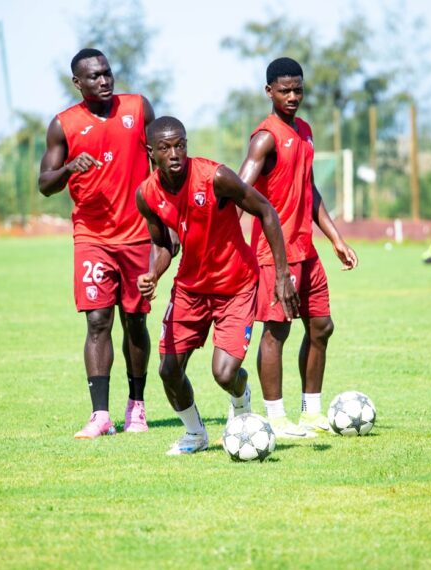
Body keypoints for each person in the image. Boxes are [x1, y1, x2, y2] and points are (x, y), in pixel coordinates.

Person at [135, 116, 299, 456]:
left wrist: (282, 276)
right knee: (168, 370)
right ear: (151, 152)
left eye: (180, 144)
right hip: (190, 290)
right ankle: (195, 434)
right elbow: (165, 244)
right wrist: (153, 273)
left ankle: (241, 400)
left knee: (224, 374)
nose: (175, 153)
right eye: (165, 148)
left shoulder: (216, 177)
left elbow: (266, 210)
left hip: (236, 286)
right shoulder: (147, 194)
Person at [238, 57, 359, 438]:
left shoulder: (304, 131)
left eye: (298, 89)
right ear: (269, 91)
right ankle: (276, 418)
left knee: (321, 326)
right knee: (276, 333)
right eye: (284, 90)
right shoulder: (265, 137)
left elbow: (309, 191)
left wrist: (335, 238)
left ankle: (311, 411)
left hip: (306, 250)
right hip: (274, 255)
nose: (292, 96)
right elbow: (241, 189)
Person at [38, 48, 156, 439]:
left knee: (134, 320)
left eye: (107, 73)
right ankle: (101, 415)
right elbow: (44, 184)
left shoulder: (138, 109)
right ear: (78, 83)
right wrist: (69, 167)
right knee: (97, 321)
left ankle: (136, 406)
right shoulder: (64, 125)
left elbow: (161, 165)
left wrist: (166, 218)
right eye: (93, 77)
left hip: (138, 234)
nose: (104, 81)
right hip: (92, 237)